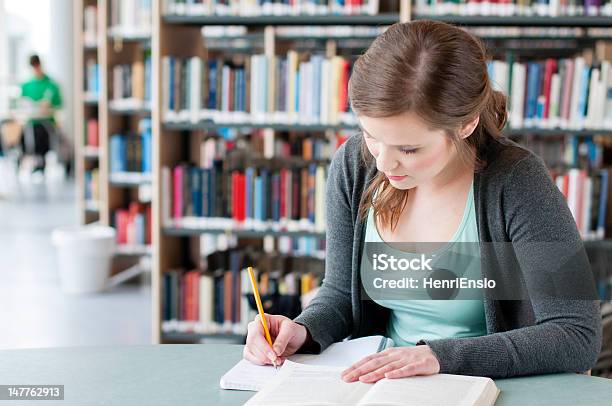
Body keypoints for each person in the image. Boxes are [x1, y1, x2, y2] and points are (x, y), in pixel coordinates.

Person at [243, 20, 602, 380]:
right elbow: (339, 294)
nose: (383, 163)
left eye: (409, 149)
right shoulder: (355, 164)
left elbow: (576, 334)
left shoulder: (517, 181)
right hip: (386, 385)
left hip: (483, 386)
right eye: (371, 135)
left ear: (466, 125)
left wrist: (440, 357)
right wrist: (303, 331)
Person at [20, 54, 62, 172]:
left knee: (38, 131)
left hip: (46, 122)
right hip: (29, 121)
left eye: (37, 65)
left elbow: (59, 105)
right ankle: (22, 159)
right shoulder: (26, 86)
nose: (36, 69)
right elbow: (20, 103)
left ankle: (39, 162)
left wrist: (47, 105)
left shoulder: (51, 85)